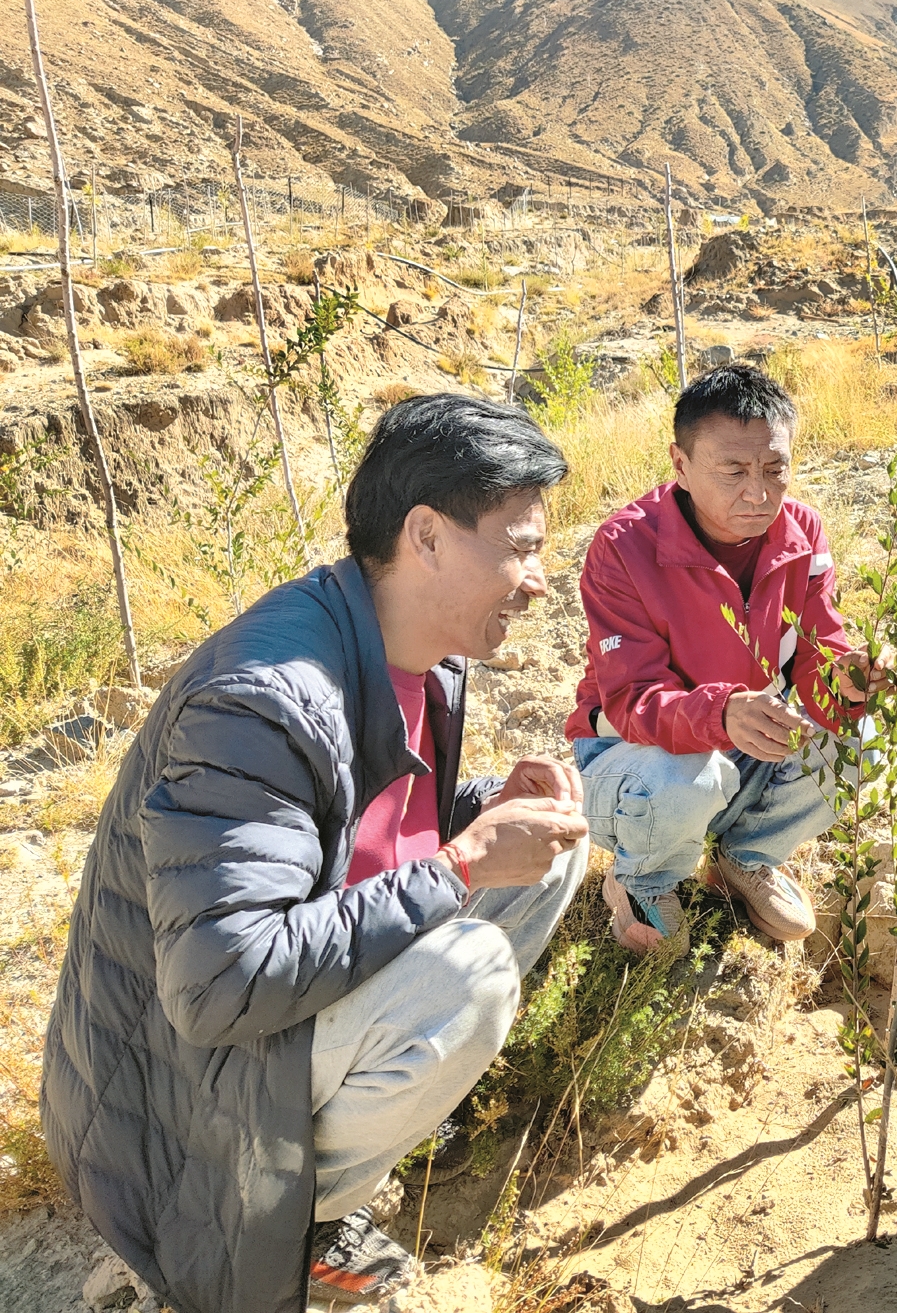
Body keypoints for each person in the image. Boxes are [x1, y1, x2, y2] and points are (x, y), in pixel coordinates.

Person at [40, 395, 592, 1312]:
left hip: (264, 1024)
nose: (539, 581)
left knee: (554, 849)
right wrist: (460, 866)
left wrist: (484, 813)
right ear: (425, 536)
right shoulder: (260, 704)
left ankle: (364, 1128)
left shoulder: (415, 646)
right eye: (521, 547)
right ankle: (305, 1214)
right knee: (473, 971)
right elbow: (221, 981)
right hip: (169, 1117)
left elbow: (358, 829)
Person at [567, 363, 886, 952]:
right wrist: (721, 714)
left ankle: (746, 856)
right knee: (686, 777)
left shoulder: (802, 532)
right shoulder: (624, 546)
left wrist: (845, 679)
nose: (758, 492)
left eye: (774, 469)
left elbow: (817, 652)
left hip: (743, 739)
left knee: (860, 742)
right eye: (733, 471)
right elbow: (630, 700)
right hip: (634, 755)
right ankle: (643, 878)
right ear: (681, 464)